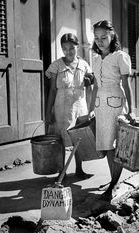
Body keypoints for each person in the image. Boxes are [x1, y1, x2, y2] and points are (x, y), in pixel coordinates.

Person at [89, 20, 136, 200]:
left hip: (116, 103)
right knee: (108, 146)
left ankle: (114, 184)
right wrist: (91, 109)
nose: (100, 41)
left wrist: (131, 110)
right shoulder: (94, 58)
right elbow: (95, 86)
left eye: (104, 37)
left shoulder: (120, 56)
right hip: (101, 106)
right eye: (96, 38)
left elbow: (126, 84)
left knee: (116, 147)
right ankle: (113, 180)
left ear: (112, 36)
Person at [45, 33, 93, 179]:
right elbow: (52, 90)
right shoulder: (56, 65)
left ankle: (79, 169)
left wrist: (91, 110)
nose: (68, 51)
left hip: (80, 106)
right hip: (61, 107)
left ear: (77, 47)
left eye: (71, 48)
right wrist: (48, 112)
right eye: (65, 48)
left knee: (79, 138)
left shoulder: (84, 65)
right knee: (60, 140)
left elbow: (90, 86)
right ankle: (62, 171)